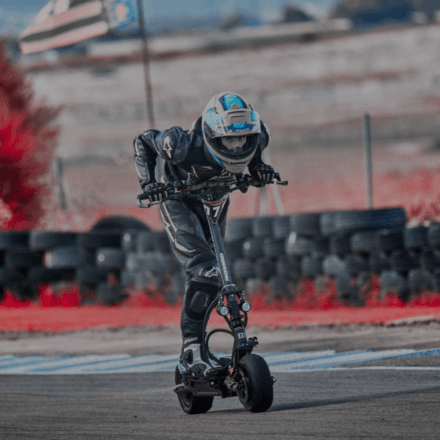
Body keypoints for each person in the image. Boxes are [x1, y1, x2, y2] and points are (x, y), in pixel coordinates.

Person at [133, 92, 274, 377]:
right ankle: (192, 351)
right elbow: (144, 141)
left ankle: (204, 350)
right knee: (207, 270)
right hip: (179, 202)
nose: (237, 146)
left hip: (216, 200)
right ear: (211, 134)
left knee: (215, 275)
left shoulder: (259, 136)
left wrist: (259, 168)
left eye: (242, 139)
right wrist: (149, 184)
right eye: (229, 140)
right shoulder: (181, 145)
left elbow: (256, 149)